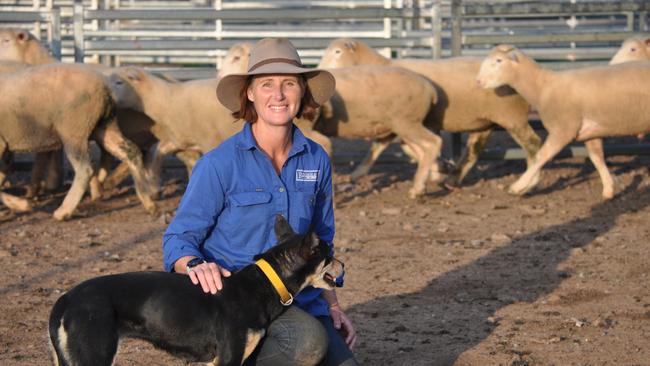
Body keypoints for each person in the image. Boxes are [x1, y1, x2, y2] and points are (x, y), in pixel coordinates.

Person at [162, 37, 358, 366]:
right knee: (307, 341)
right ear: (250, 93)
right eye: (266, 84)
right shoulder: (218, 164)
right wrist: (196, 265)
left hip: (299, 300)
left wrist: (333, 305)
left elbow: (322, 241)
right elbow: (178, 239)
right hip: (238, 303)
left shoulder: (316, 159)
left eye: (289, 84)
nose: (278, 95)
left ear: (302, 93)